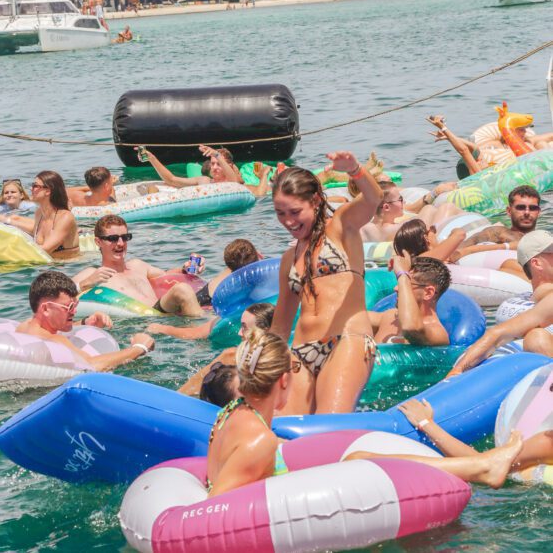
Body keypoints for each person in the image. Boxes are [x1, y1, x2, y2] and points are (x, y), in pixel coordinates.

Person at [270, 157, 383, 415]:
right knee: (283, 428)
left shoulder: (342, 226)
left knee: (328, 423)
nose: (288, 221)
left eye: (295, 212)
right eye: (280, 213)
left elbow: (372, 199)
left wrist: (354, 169)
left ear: (316, 201)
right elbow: (280, 326)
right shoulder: (289, 258)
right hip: (301, 352)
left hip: (347, 340)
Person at [345, 398, 527, 489]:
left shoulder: (546, 439)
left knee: (358, 459)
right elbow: (483, 461)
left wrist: (427, 424)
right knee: (359, 459)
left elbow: (483, 462)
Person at [206, 328, 300, 497]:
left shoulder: (230, 410)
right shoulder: (261, 441)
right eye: (295, 368)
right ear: (284, 380)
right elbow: (213, 508)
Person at [448, 230, 553, 374]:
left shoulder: (521, 299)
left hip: (504, 364)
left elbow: (497, 333)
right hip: (515, 368)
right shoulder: (545, 297)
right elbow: (499, 334)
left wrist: (457, 370)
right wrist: (457, 371)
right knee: (536, 338)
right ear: (536, 263)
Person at [17, 271, 154, 372]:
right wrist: (140, 347)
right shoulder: (55, 341)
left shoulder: (25, 327)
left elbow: (49, 328)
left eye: (75, 305)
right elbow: (92, 366)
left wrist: (84, 322)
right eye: (69, 307)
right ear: (46, 309)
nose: (74, 311)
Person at [72, 214, 204, 316]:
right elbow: (57, 295)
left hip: (161, 312)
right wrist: (85, 284)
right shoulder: (92, 273)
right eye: (113, 239)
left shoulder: (137, 265)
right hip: (144, 318)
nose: (120, 243)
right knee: (182, 289)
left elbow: (166, 276)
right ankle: (201, 333)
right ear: (98, 242)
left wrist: (185, 268)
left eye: (125, 237)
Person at [149, 239, 261, 339]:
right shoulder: (236, 271)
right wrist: (185, 269)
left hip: (201, 308)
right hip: (171, 306)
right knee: (183, 290)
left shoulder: (247, 270)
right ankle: (198, 335)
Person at [178, 302, 275, 396]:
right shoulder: (231, 356)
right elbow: (187, 391)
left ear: (265, 331)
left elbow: (182, 394)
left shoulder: (234, 357)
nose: (239, 333)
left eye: (245, 328)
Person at [0, 171, 79, 260]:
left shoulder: (65, 217)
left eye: (35, 186)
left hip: (67, 267)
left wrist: (8, 254)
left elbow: (46, 249)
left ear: (47, 191)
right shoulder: (39, 213)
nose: (31, 188)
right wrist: (8, 221)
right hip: (45, 266)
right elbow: (35, 231)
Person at [370, 254, 450, 345]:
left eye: (407, 283)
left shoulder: (438, 333)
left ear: (428, 293)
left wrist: (403, 275)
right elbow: (353, 317)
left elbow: (411, 328)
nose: (395, 288)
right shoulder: (391, 316)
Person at [453, 185, 541, 257]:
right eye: (520, 207)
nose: (527, 212)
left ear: (539, 212)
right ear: (509, 211)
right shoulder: (498, 232)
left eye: (533, 208)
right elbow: (458, 250)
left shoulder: (543, 238)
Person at [361, 181, 462, 243]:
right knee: (446, 208)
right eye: (400, 199)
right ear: (386, 207)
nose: (404, 201)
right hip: (428, 242)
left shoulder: (369, 227)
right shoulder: (393, 229)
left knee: (430, 209)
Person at [393, 218, 516, 264]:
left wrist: (507, 246)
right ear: (426, 238)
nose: (435, 233)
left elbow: (469, 249)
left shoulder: (440, 255)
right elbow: (460, 234)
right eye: (432, 230)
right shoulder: (423, 258)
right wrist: (453, 232)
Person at [142, 145, 242, 188]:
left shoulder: (235, 182)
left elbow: (234, 184)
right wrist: (152, 159)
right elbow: (171, 180)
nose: (214, 167)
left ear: (229, 166)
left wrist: (217, 155)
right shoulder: (204, 181)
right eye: (212, 163)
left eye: (219, 164)